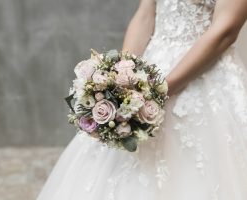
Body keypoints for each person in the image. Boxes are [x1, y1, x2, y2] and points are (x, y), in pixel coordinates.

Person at [37, 0, 247, 199]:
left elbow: (225, 31)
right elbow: (145, 14)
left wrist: (159, 91)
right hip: (151, 67)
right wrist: (120, 76)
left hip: (203, 76)